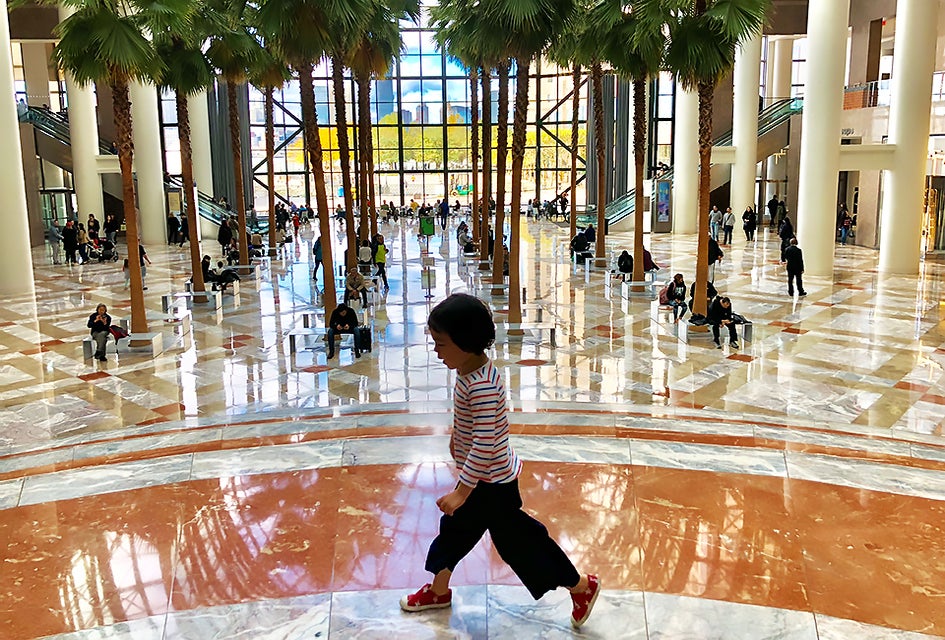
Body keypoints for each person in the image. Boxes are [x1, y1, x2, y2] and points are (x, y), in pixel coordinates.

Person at [399, 294, 600, 628]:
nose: (436, 351)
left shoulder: (482, 387)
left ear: (465, 342)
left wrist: (463, 491)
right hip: (482, 480)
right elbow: (477, 426)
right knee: (454, 533)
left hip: (490, 486)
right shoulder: (471, 370)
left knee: (521, 544)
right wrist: (456, 436)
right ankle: (438, 590)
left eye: (442, 344)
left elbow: (485, 442)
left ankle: (581, 586)